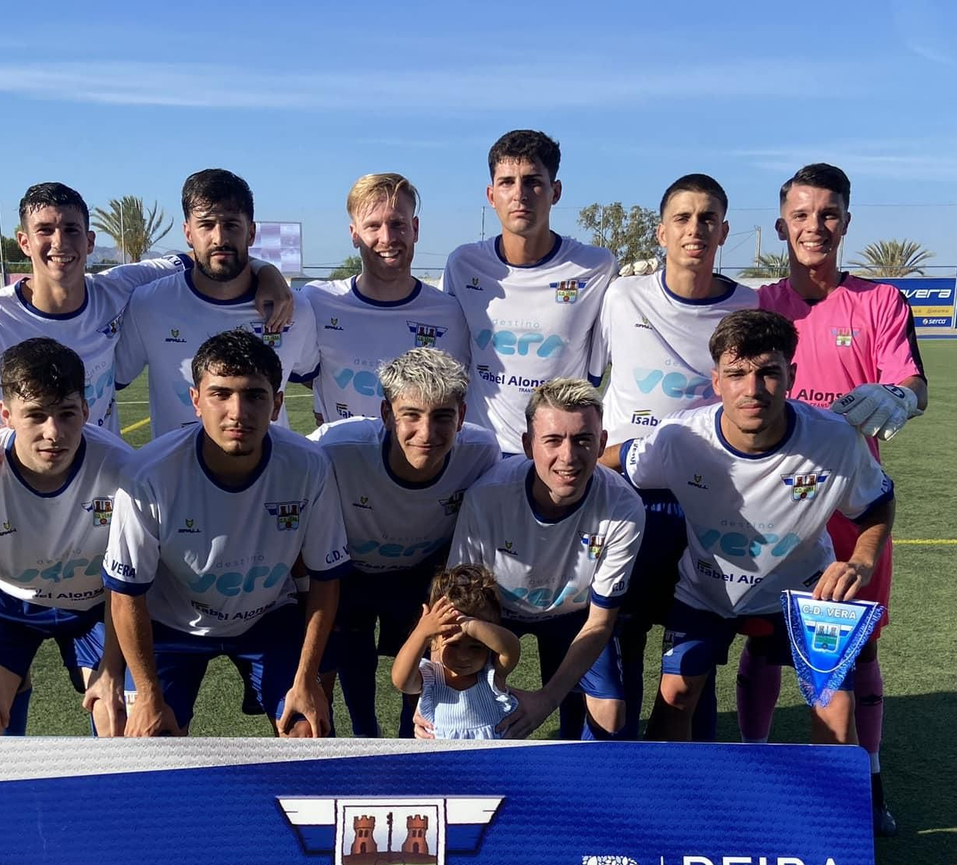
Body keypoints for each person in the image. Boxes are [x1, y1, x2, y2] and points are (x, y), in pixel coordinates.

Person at [617, 309, 895, 757]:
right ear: (716, 381)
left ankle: (833, 821)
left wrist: (861, 561)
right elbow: (612, 459)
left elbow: (878, 504)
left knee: (834, 709)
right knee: (676, 698)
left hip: (809, 591)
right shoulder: (679, 439)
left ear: (792, 375)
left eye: (768, 372)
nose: (752, 389)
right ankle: (665, 811)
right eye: (737, 374)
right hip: (706, 591)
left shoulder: (836, 440)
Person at [743, 163, 928, 833]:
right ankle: (753, 771)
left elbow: (913, 382)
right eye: (801, 214)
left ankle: (866, 778)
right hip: (772, 512)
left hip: (854, 511)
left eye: (828, 214)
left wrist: (900, 397)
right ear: (781, 226)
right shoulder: (756, 305)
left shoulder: (878, 303)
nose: (814, 226)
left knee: (860, 650)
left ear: (846, 223)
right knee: (763, 645)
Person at [0, 180, 293, 476]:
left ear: (90, 241)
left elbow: (207, 255)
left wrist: (267, 272)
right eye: (45, 230)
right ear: (24, 242)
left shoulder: (118, 288)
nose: (59, 242)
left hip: (100, 480)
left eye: (72, 230)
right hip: (20, 482)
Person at [103, 329, 350, 737]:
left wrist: (308, 678)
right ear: (196, 401)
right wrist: (148, 695)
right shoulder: (149, 475)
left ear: (277, 404)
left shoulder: (309, 466)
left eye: (254, 395)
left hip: (269, 618)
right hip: (170, 625)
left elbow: (325, 579)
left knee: (307, 732)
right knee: (144, 742)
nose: (238, 411)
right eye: (221, 394)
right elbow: (127, 593)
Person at [592, 173, 759, 738]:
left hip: (707, 504)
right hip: (629, 498)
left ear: (724, 231)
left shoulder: (748, 306)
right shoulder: (620, 296)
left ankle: (693, 783)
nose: (696, 230)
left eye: (708, 219)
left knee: (692, 663)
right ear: (661, 231)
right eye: (683, 219)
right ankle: (615, 777)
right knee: (620, 645)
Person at [0, 337, 131, 737]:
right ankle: (11, 682)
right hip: (11, 607)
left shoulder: (124, 470)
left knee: (124, 726)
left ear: (86, 411)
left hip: (96, 608)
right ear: (6, 414)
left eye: (66, 414)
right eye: (35, 415)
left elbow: (127, 583)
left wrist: (111, 671)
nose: (53, 432)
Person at [308, 347, 500, 736]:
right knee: (345, 659)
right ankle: (363, 736)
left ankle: (412, 742)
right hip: (347, 573)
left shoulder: (482, 452)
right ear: (385, 415)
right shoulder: (333, 448)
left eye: (442, 416)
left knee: (425, 669)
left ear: (461, 416)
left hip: (421, 576)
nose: (426, 434)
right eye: (410, 415)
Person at [446, 379, 643, 739]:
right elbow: (459, 606)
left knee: (610, 715)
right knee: (461, 708)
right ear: (527, 445)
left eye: (583, 440)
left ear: (601, 443)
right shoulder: (487, 497)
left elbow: (600, 622)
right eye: (553, 440)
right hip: (497, 612)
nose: (568, 457)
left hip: (576, 616)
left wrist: (547, 699)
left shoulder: (624, 506)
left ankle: (583, 784)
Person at [114, 169, 319, 438]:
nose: (219, 238)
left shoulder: (294, 309)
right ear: (188, 232)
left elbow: (317, 379)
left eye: (232, 225)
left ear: (252, 232)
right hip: (179, 478)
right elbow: (107, 381)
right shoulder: (148, 305)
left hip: (270, 475)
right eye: (206, 225)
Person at [444, 130, 613, 454]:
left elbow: (593, 376)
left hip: (558, 457)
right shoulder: (463, 264)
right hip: (482, 453)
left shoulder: (595, 267)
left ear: (556, 192)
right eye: (507, 182)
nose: (519, 194)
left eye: (533, 180)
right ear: (492, 195)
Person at [302, 173, 471, 423]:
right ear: (354, 234)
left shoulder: (450, 314)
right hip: (340, 459)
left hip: (419, 459)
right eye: (373, 226)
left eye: (397, 224)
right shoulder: (317, 301)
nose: (387, 238)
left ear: (415, 229)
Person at [391, 563, 520, 740]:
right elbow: (401, 681)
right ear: (434, 642)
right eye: (453, 645)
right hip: (444, 763)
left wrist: (469, 625)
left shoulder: (492, 673)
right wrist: (421, 633)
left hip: (490, 763)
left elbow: (512, 648)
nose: (463, 656)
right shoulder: (430, 677)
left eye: (476, 646)